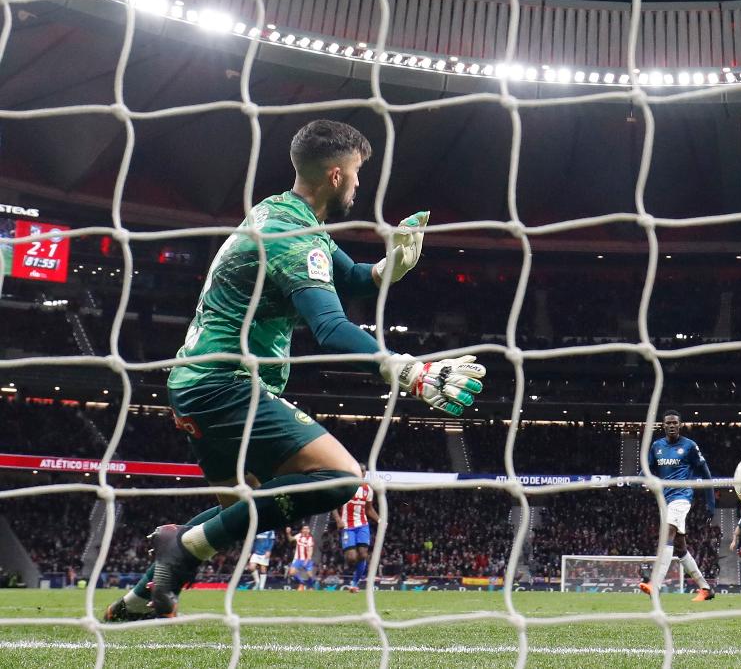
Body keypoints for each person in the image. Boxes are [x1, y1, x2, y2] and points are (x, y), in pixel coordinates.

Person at [103, 120, 486, 622]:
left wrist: (387, 270)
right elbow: (329, 327)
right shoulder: (292, 235)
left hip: (197, 384)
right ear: (334, 175)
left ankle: (138, 601)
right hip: (225, 383)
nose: (357, 185)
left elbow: (348, 278)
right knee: (341, 477)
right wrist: (408, 370)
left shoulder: (283, 216)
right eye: (355, 175)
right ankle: (178, 545)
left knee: (239, 513)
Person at [638, 410, 716, 602]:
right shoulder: (657, 446)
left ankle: (655, 585)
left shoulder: (689, 446)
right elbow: (647, 469)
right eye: (668, 423)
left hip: (682, 497)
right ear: (663, 426)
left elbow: (706, 474)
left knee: (668, 533)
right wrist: (635, 481)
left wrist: (711, 502)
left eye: (675, 423)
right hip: (665, 501)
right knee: (680, 549)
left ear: (680, 425)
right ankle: (706, 588)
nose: (671, 426)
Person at [337, 470, 379, 593]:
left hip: (362, 525)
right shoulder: (346, 486)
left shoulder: (368, 489)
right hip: (347, 526)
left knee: (363, 555)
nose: (361, 474)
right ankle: (351, 575)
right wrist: (338, 519)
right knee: (352, 557)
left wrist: (380, 520)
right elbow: (332, 503)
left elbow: (369, 509)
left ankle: (354, 584)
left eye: (363, 472)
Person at [287, 525, 317, 591]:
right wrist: (288, 533)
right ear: (302, 530)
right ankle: (302, 582)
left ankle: (311, 587)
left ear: (309, 530)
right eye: (304, 528)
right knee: (291, 572)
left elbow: (310, 551)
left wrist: (306, 561)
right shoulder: (299, 535)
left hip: (307, 559)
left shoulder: (310, 539)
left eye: (307, 528)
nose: (306, 530)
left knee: (310, 575)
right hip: (297, 558)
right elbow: (290, 539)